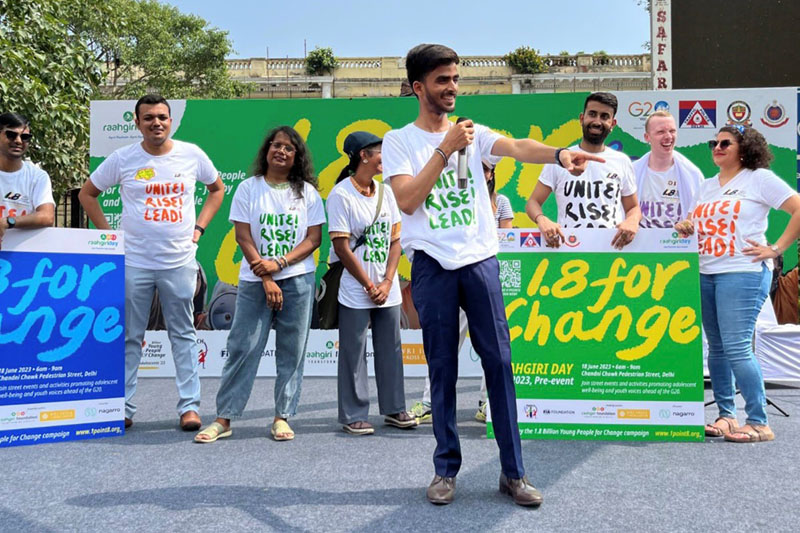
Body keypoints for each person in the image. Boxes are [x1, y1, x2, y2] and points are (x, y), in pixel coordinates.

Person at [382, 43, 602, 507]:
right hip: (432, 266)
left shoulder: (473, 131)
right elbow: (407, 200)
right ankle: (445, 470)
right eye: (442, 80)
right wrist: (444, 149)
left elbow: (519, 147)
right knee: (441, 367)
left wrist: (560, 155)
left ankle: (513, 473)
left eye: (456, 78)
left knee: (500, 364)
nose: (452, 88)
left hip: (480, 261)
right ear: (419, 87)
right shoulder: (399, 141)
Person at [79, 94, 225, 431]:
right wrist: (110, 238)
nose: (156, 123)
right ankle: (124, 407)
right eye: (148, 118)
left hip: (179, 261)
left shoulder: (192, 154)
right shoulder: (123, 158)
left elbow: (216, 190)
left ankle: (189, 407)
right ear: (137, 122)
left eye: (162, 117)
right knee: (130, 336)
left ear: (170, 121)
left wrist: (199, 228)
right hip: (135, 264)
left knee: (183, 335)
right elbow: (88, 194)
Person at [194, 126, 323, 444]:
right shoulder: (248, 189)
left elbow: (313, 239)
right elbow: (243, 237)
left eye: (289, 148)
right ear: (267, 150)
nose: (282, 151)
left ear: (297, 157)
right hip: (254, 281)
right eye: (276, 145)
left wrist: (279, 264)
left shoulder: (307, 192)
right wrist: (266, 276)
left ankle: (283, 416)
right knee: (243, 347)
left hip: (298, 279)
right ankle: (224, 418)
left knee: (293, 351)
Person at [675, 125, 800, 443]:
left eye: (724, 143)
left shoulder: (759, 178)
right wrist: (687, 225)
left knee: (737, 346)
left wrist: (776, 249)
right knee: (715, 348)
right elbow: (695, 222)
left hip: (743, 271)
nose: (716, 147)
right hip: (706, 272)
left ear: (744, 148)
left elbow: (797, 207)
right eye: (713, 142)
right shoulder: (706, 186)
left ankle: (759, 422)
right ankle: (727, 416)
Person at [408, 158, 512, 425]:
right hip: (452, 276)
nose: (484, 172)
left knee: (493, 349)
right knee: (445, 346)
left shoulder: (501, 202)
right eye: (480, 167)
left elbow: (507, 239)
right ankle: (430, 403)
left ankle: (486, 403)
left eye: (488, 169)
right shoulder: (453, 196)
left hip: (485, 277)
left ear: (491, 174)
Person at [326, 131, 415, 435]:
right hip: (355, 288)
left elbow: (395, 240)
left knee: (391, 347)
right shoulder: (340, 195)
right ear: (363, 156)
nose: (384, 158)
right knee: (353, 350)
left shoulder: (387, 192)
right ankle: (353, 413)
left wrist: (389, 280)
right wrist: (367, 284)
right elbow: (341, 247)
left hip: (386, 288)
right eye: (379, 152)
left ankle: (394, 408)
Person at [525, 92, 641, 249]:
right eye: (592, 114)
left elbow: (633, 207)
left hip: (610, 250)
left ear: (612, 124)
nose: (597, 121)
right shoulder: (560, 158)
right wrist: (542, 220)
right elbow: (533, 202)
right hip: (569, 249)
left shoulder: (622, 162)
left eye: (604, 116)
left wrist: (632, 220)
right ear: (581, 118)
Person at [633, 110, 703, 228]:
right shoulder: (632, 172)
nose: (668, 137)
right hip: (641, 243)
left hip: (678, 243)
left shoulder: (692, 174)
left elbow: (701, 215)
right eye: (661, 132)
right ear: (647, 137)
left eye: (672, 131)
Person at [0, 112, 55, 249]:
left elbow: (47, 216)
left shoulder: (37, 176)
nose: (18, 141)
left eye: (25, 137)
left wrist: (8, 222)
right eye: (11, 135)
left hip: (22, 257)